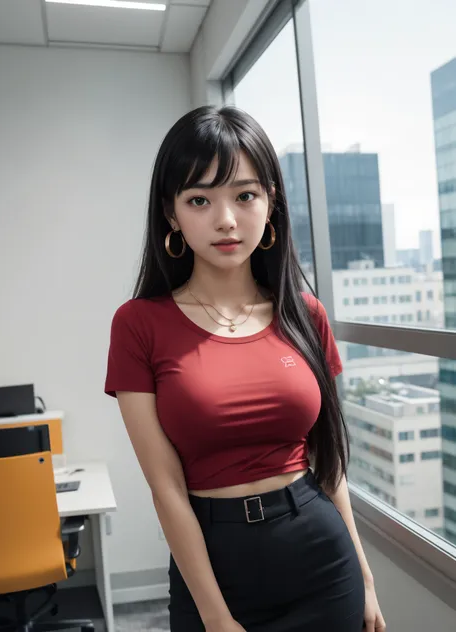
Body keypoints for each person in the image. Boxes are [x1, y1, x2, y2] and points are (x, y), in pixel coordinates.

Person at [104, 106, 386, 632]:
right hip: (216, 568)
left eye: (245, 195)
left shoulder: (306, 315)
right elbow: (165, 487)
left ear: (271, 202)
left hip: (323, 562)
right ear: (171, 214)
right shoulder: (139, 324)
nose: (226, 220)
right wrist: (215, 617)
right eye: (199, 200)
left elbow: (329, 461)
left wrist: (366, 580)